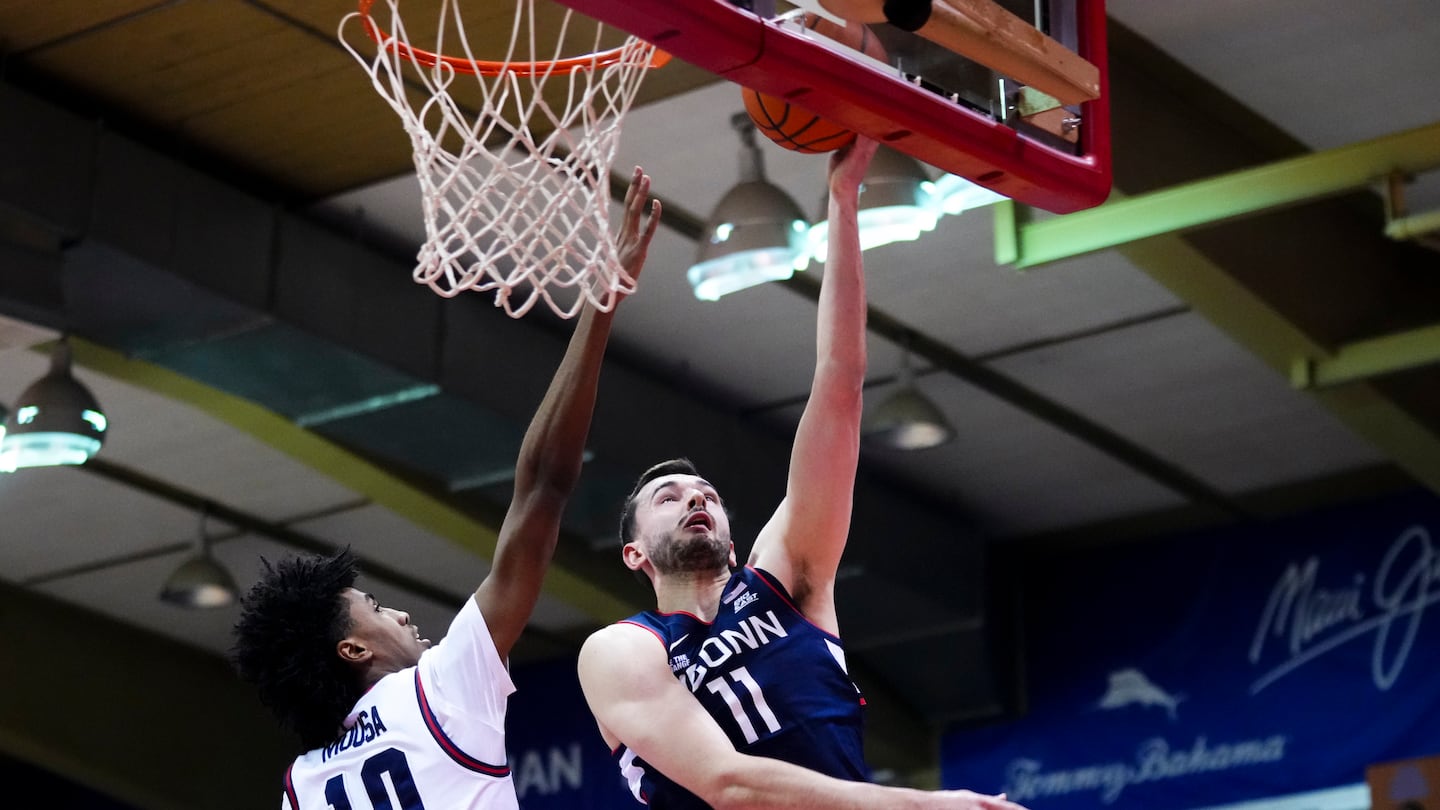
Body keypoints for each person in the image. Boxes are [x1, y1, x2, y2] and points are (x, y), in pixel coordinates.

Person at [577, 139, 1027, 810]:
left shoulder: (788, 582)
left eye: (706, 494)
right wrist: (927, 805)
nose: (694, 498)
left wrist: (843, 204)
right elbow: (728, 785)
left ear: (733, 540)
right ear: (634, 552)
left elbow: (840, 387)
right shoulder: (621, 650)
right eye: (668, 498)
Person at [231, 168, 662, 810]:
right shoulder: (439, 691)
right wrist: (604, 301)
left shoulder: (303, 787)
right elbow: (543, 485)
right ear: (352, 649)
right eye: (375, 608)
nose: (402, 614)